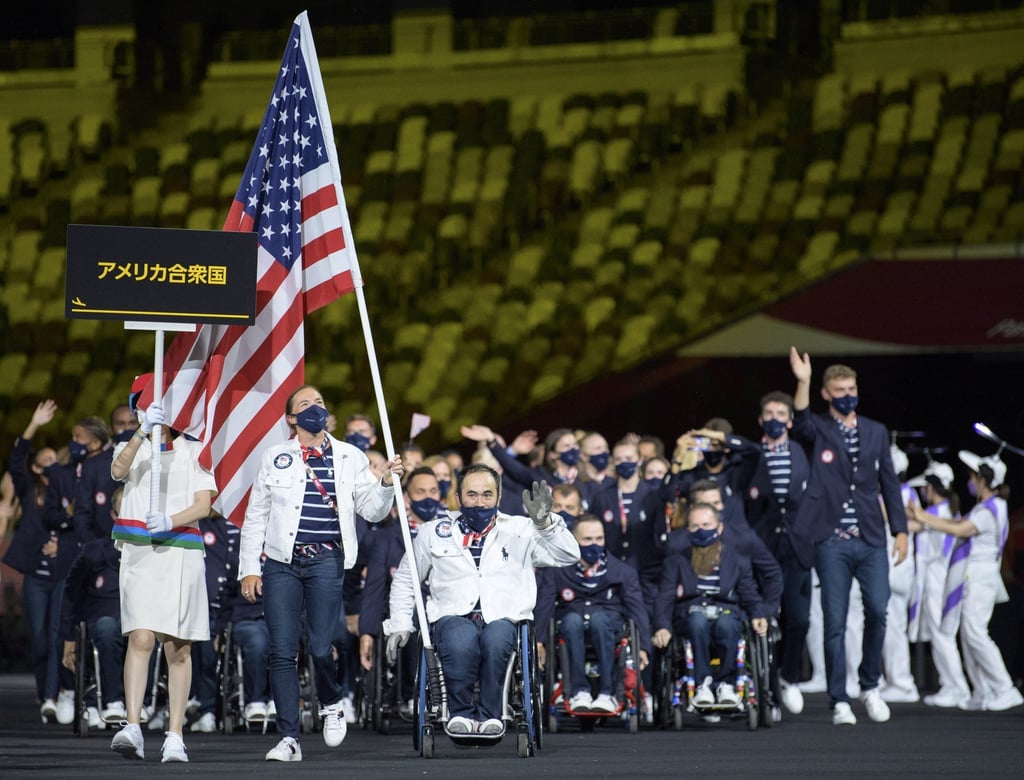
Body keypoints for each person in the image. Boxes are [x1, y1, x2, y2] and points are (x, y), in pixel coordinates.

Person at [239, 384, 403, 763]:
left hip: (327, 559)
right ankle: (289, 738)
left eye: (320, 403)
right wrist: (249, 567)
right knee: (281, 650)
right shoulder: (275, 456)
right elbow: (256, 515)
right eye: (305, 404)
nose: (316, 408)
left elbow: (373, 512)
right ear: (291, 419)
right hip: (281, 561)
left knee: (319, 644)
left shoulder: (350, 455)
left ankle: (330, 701)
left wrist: (385, 484)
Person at [383, 466, 579, 736]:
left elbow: (568, 556)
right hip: (453, 614)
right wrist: (401, 623)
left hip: (504, 615)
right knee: (460, 641)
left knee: (496, 639)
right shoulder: (432, 532)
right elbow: (407, 580)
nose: (479, 502)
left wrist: (546, 525)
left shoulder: (522, 528)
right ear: (458, 497)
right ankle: (460, 713)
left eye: (487, 494)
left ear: (499, 498)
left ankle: (491, 714)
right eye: (472, 494)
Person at [787, 347, 908, 726]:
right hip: (831, 540)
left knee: (877, 610)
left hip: (871, 538)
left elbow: (889, 482)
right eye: (839, 389)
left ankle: (870, 685)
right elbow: (801, 419)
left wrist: (900, 531)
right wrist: (804, 381)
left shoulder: (875, 430)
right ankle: (840, 698)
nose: (846, 394)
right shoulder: (819, 429)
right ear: (827, 393)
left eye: (851, 388)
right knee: (834, 621)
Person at [108, 397, 216, 763]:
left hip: (181, 548)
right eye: (146, 408)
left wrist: (172, 520)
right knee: (140, 635)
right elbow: (118, 472)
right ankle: (133, 727)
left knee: (178, 646)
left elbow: (205, 503)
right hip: (140, 551)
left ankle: (175, 734)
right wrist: (141, 431)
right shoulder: (130, 445)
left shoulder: (194, 449)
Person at [906, 451, 1024, 711]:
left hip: (981, 575)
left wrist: (923, 517)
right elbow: (956, 523)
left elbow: (960, 529)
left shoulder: (990, 509)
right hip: (976, 575)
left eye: (972, 477)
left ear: (983, 480)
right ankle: (983, 690)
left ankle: (1004, 687)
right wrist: (924, 518)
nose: (970, 481)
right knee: (969, 634)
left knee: (975, 632)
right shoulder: (987, 507)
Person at [653, 503, 770, 707]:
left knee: (727, 624)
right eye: (695, 526)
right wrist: (662, 626)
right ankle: (702, 683)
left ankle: (727, 683)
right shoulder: (676, 561)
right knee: (697, 622)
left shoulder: (737, 561)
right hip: (690, 614)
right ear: (688, 529)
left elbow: (749, 592)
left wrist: (758, 614)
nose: (701, 530)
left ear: (719, 528)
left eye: (706, 525)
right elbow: (665, 597)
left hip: (725, 610)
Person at [535, 514, 651, 714]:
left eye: (599, 539)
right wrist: (538, 641)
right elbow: (544, 605)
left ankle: (608, 693)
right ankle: (579, 691)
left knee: (599, 619)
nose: (594, 544)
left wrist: (644, 647)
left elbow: (637, 608)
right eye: (587, 540)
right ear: (574, 540)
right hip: (570, 624)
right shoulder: (557, 570)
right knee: (571, 621)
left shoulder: (623, 572)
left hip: (609, 625)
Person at [744, 390, 811, 716]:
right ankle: (767, 691)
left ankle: (788, 676)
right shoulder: (752, 456)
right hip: (763, 548)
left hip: (797, 547)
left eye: (780, 414)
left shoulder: (802, 451)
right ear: (760, 419)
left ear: (790, 420)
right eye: (768, 414)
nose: (774, 419)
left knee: (798, 619)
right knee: (765, 621)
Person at [1, 401, 59, 722]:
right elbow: (15, 461)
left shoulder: (68, 491)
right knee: (39, 638)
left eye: (56, 460)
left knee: (55, 635)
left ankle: (53, 695)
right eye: (46, 460)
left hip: (62, 573)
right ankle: (44, 690)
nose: (52, 464)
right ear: (37, 468)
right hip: (36, 577)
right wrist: (33, 424)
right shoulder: (28, 489)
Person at [904, 460, 969, 707]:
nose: (923, 492)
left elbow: (911, 523)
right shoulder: (950, 512)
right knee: (943, 634)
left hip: (937, 579)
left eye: (926, 487)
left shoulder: (934, 514)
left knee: (941, 635)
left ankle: (955, 686)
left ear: (933, 488)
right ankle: (952, 685)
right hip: (943, 578)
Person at [59, 486, 125, 728]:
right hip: (102, 620)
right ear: (114, 515)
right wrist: (68, 637)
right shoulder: (94, 551)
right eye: (123, 510)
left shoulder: (150, 553)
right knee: (108, 627)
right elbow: (70, 594)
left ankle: (149, 702)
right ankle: (112, 701)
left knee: (147, 629)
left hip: (137, 619)